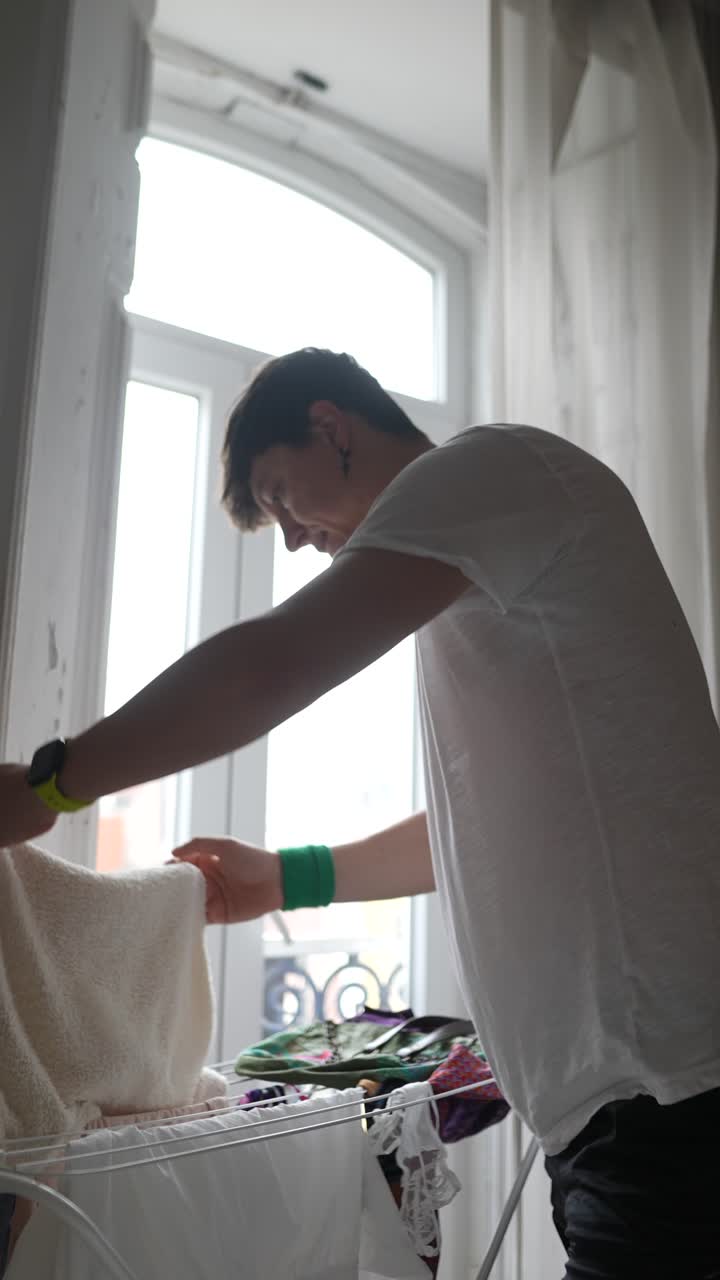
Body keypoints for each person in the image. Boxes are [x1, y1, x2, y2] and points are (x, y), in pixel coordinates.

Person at [2, 347, 719, 1278]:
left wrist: (49, 787)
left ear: (330, 426)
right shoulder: (485, 572)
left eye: (280, 495)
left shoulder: (494, 468)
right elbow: (473, 840)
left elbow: (273, 665)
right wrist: (288, 877)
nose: (294, 540)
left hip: (664, 1093)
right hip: (622, 1106)